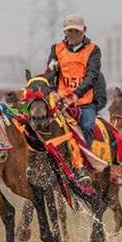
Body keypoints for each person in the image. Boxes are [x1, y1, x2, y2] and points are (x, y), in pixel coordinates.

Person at [43, 14, 102, 148]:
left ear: (84, 30)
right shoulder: (57, 48)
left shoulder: (93, 50)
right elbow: (50, 72)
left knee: (87, 126)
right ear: (65, 32)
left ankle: (87, 162)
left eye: (77, 31)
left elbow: (92, 76)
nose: (73, 34)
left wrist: (76, 94)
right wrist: (52, 91)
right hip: (60, 101)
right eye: (70, 31)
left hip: (84, 103)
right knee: (42, 123)